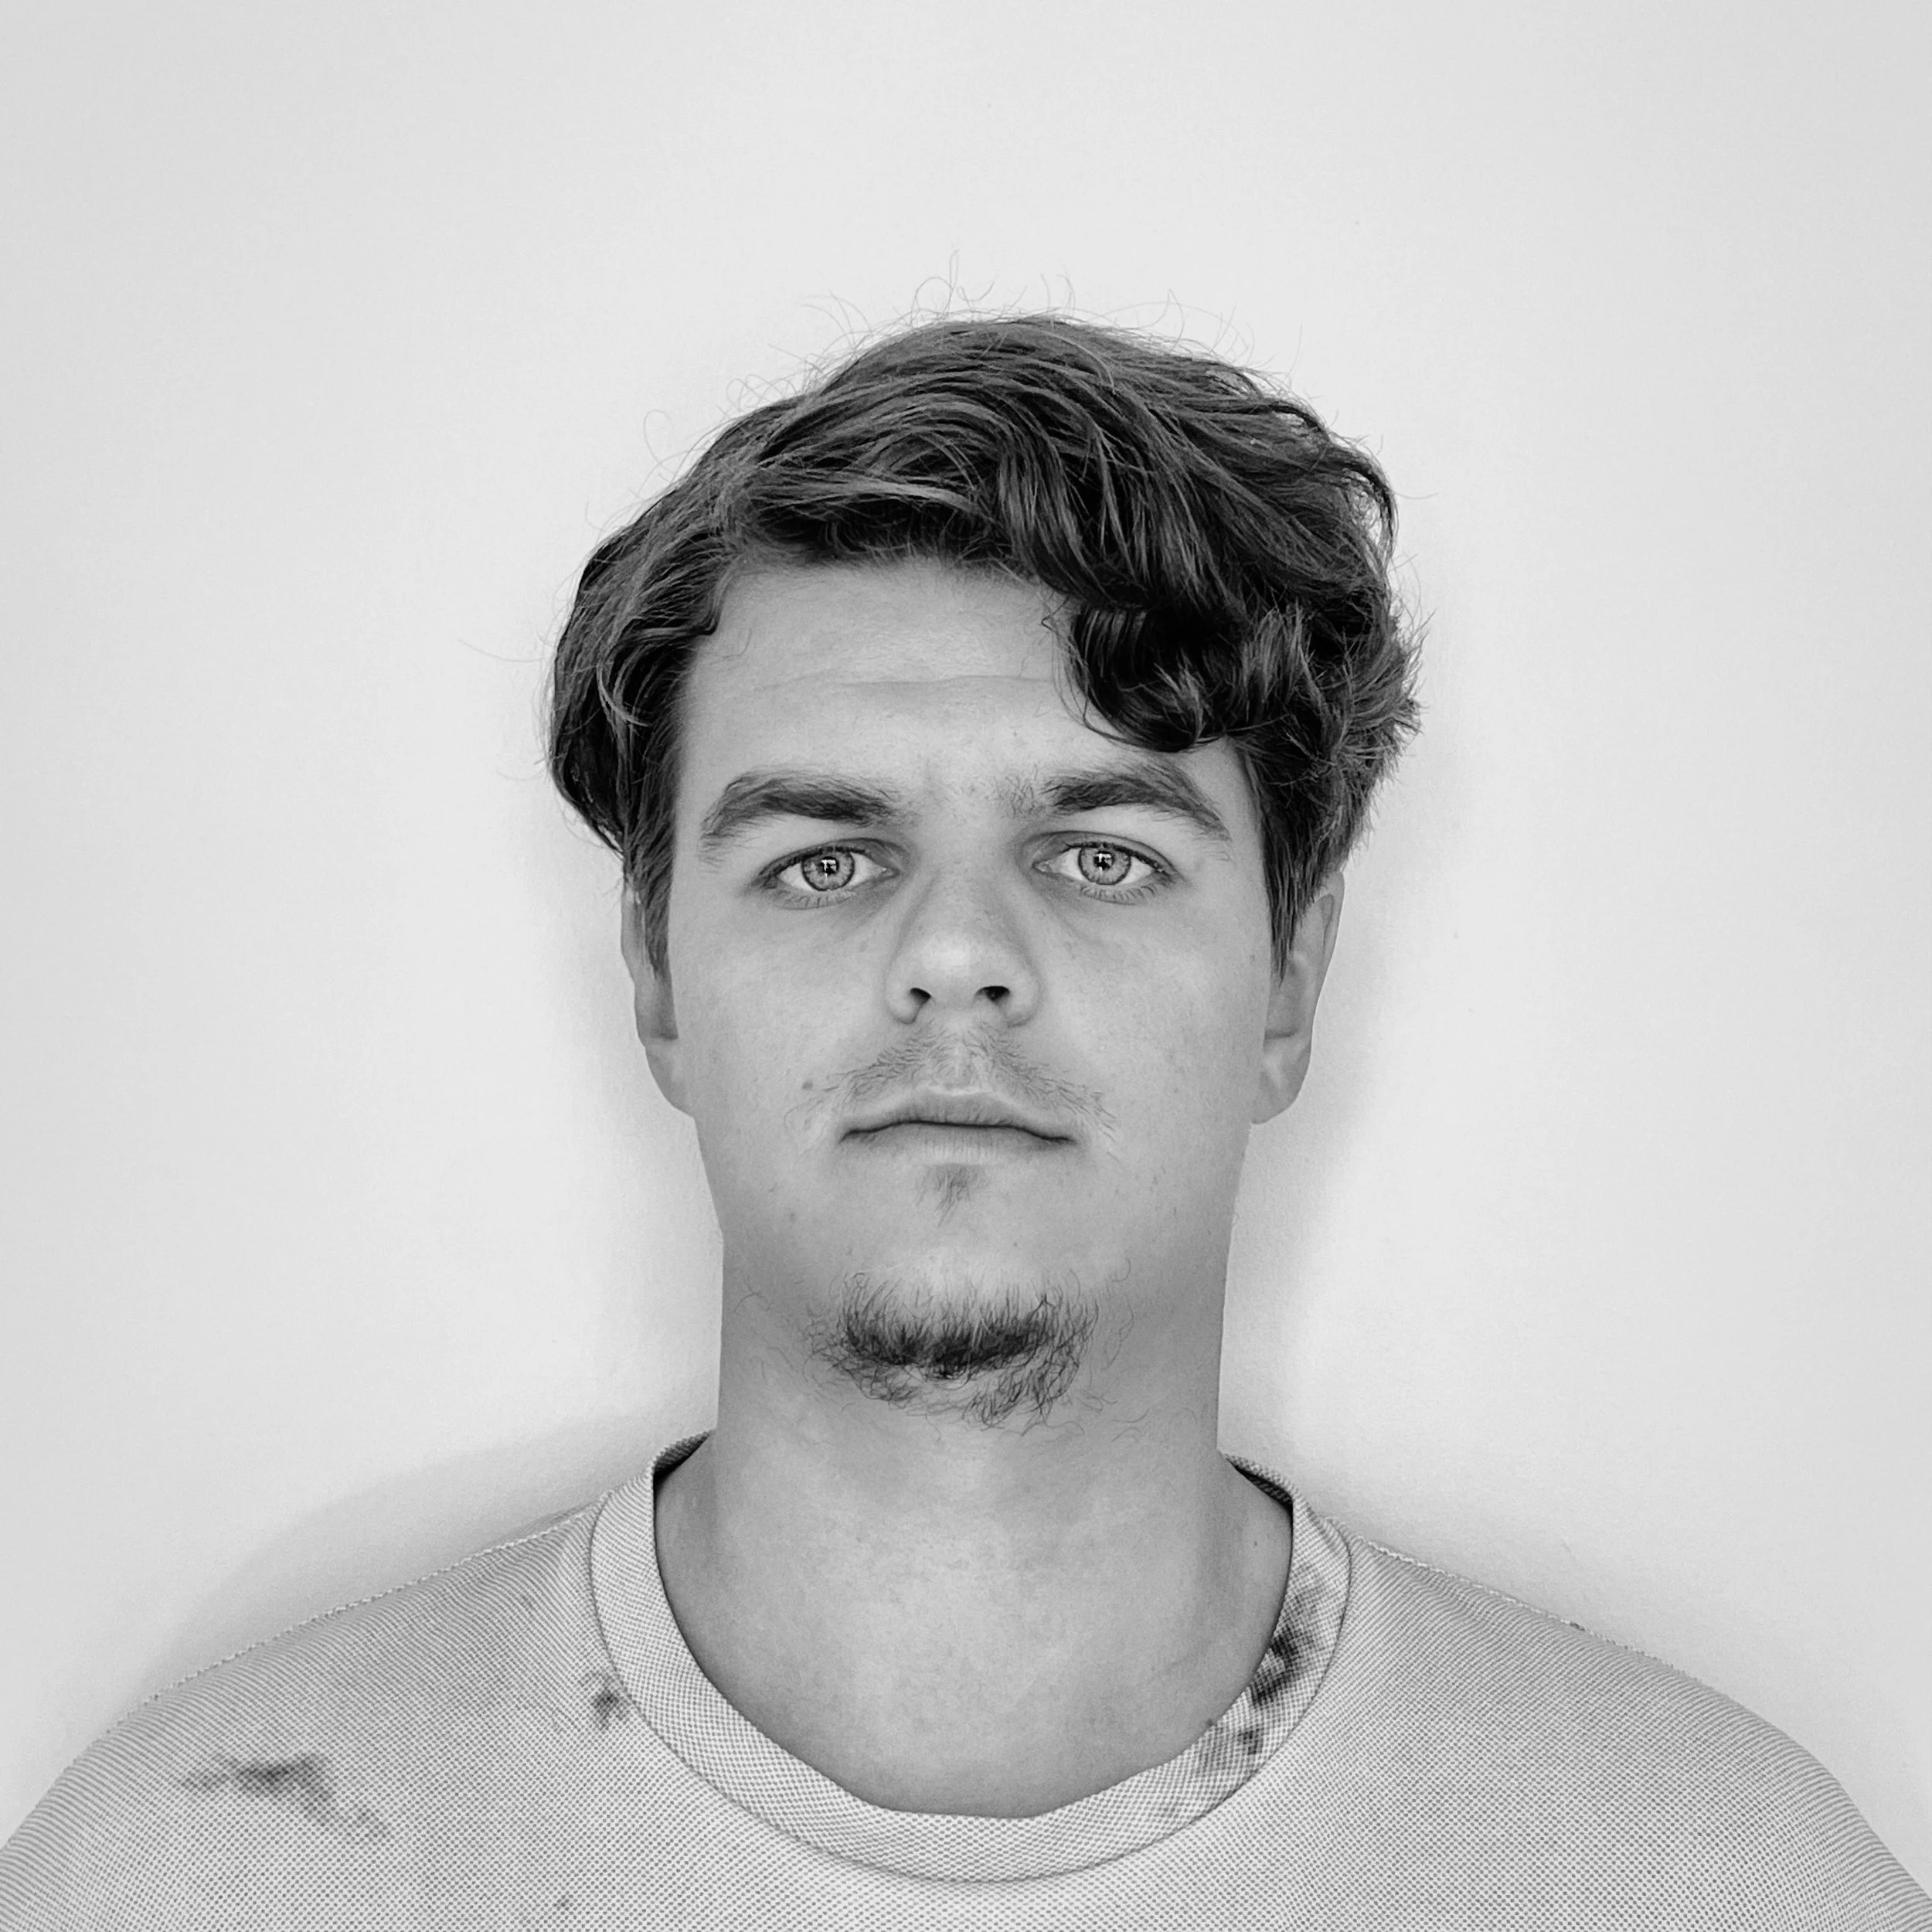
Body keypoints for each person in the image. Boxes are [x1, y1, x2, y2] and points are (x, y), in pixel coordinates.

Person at [2, 311, 1923, 1930]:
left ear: (1286, 979)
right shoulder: (191, 1876)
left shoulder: (1721, 1885)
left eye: (1096, 850)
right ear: (658, 977)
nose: (954, 959)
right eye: (828, 856)